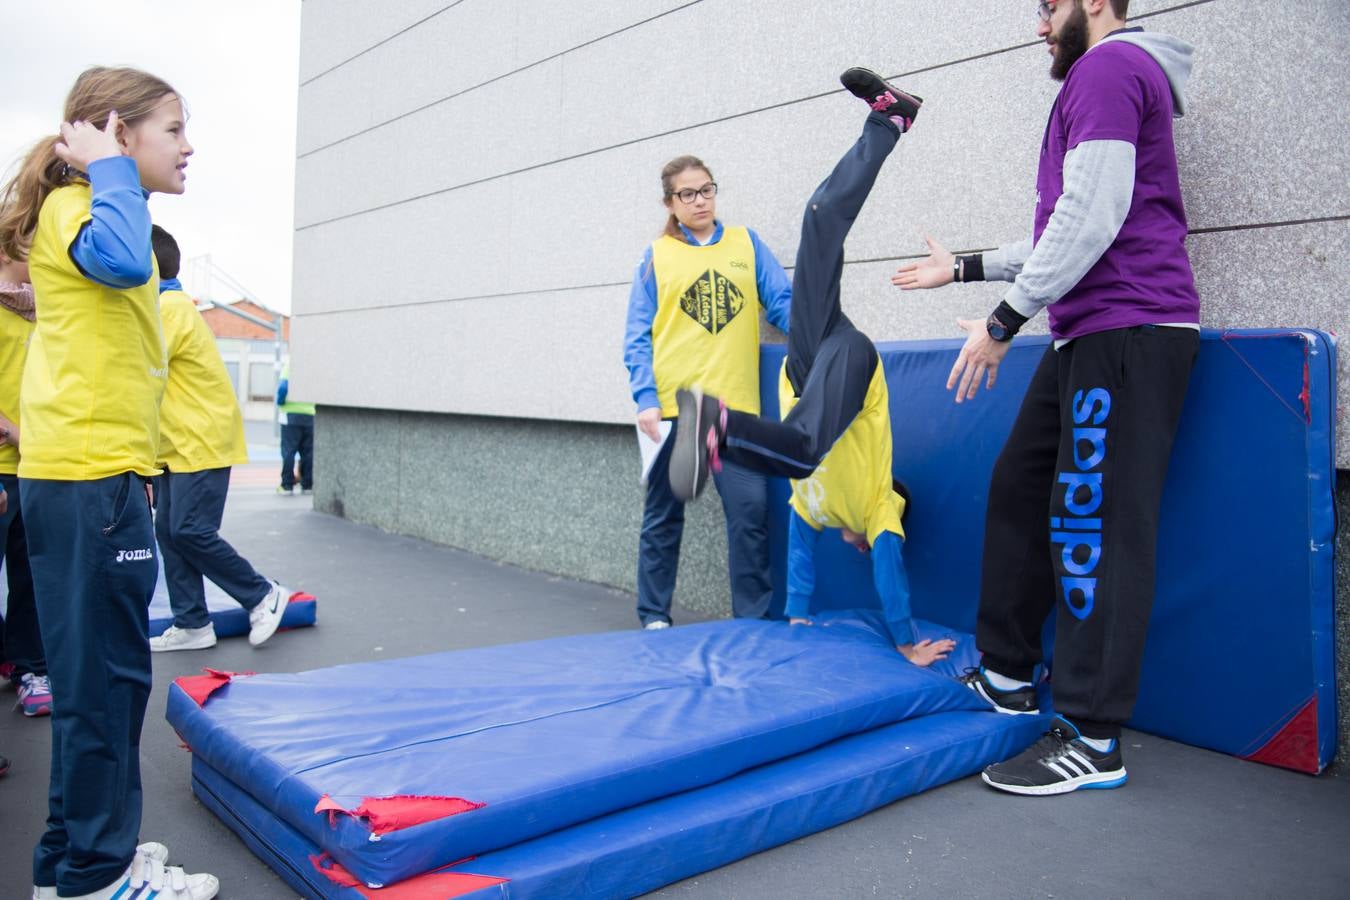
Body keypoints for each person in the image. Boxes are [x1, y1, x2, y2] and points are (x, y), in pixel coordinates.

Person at [893, 0, 1198, 795]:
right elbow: (1068, 223)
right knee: (1021, 492)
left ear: (1095, 2)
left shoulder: (1109, 68)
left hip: (1128, 332)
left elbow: (1094, 218)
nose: (1038, 24)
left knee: (1092, 526)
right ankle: (1007, 675)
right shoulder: (1105, 78)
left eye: (1048, 6)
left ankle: (1096, 738)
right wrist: (963, 268)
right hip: (1087, 335)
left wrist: (1001, 322)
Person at [0, 66, 218, 899]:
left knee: (100, 683)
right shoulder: (83, 206)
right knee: (106, 686)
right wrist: (109, 170)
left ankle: (73, 863)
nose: (188, 145)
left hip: (97, 478)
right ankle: (99, 873)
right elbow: (128, 263)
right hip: (89, 482)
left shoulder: (77, 211)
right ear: (115, 135)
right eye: (172, 128)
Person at [668, 68, 953, 666]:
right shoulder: (879, 507)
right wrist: (905, 640)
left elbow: (799, 549)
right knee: (801, 449)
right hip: (848, 356)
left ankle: (888, 117)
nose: (859, 547)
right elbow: (888, 564)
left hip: (806, 364)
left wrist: (798, 610)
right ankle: (717, 427)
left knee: (819, 216)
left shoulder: (815, 512)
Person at [622, 154, 791, 628]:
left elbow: (781, 302)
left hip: (736, 409)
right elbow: (637, 335)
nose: (700, 201)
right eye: (688, 194)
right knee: (664, 516)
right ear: (669, 203)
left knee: (751, 514)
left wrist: (820, 336)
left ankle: (752, 620)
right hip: (676, 410)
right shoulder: (656, 257)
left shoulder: (745, 244)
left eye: (707, 190)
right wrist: (646, 398)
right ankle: (654, 615)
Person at [149, 225, 294, 652]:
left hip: (200, 440)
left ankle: (262, 593)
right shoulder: (160, 308)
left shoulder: (169, 309)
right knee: (169, 532)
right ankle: (192, 623)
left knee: (190, 529)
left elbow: (138, 370)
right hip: (176, 445)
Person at [0, 251, 51, 717]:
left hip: (32, 468)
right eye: (28, 243)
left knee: (29, 577)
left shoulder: (41, 313)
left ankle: (28, 666)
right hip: (4, 463)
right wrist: (16, 433)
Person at [275, 361, 314, 495]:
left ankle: (287, 485)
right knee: (308, 452)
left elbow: (283, 388)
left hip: (290, 414)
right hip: (310, 414)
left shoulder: (291, 365)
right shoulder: (313, 367)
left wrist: (280, 402)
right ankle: (307, 485)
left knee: (288, 451)